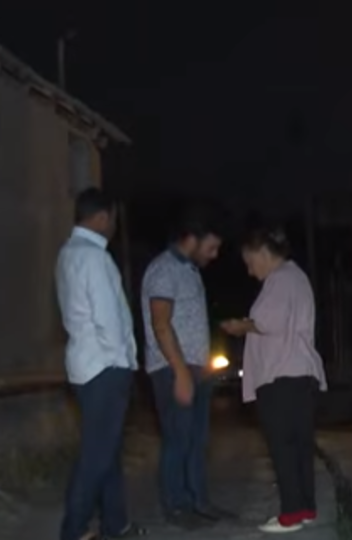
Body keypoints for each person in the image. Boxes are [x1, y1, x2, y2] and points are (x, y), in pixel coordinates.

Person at [220, 227, 327, 534]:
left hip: (281, 375)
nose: (250, 270)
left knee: (283, 446)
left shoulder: (279, 279)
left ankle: (291, 513)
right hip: (301, 374)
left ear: (264, 253)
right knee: (300, 446)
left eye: (250, 262)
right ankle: (305, 507)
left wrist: (241, 326)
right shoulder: (297, 277)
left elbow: (268, 322)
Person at [55, 188, 146, 540]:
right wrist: (122, 361)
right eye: (113, 219)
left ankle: (115, 524)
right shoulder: (94, 258)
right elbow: (107, 318)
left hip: (85, 365)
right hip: (104, 366)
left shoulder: (68, 253)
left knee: (107, 450)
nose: (114, 226)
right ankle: (74, 530)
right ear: (103, 217)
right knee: (97, 455)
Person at [140, 209, 224, 528]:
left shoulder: (189, 270)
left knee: (196, 440)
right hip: (172, 369)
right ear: (192, 239)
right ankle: (177, 506)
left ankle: (199, 501)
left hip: (193, 369)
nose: (214, 255)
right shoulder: (164, 269)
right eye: (211, 247)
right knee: (177, 439)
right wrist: (181, 372)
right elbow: (161, 324)